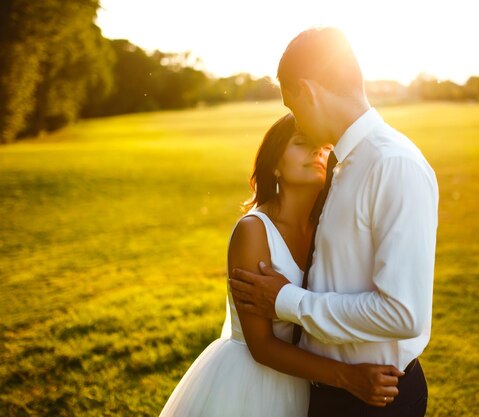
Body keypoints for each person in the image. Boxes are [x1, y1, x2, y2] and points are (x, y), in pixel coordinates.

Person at [230, 27, 439, 417]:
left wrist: (285, 301)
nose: (300, 124)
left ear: (308, 92)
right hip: (329, 394)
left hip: (373, 399)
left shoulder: (392, 164)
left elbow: (404, 314)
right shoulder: (344, 167)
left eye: (294, 108)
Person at [159, 113, 404, 417]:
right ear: (274, 164)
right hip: (252, 385)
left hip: (306, 382)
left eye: (325, 148)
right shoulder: (253, 231)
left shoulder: (327, 227)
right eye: (302, 143)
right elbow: (261, 345)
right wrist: (349, 377)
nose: (317, 152)